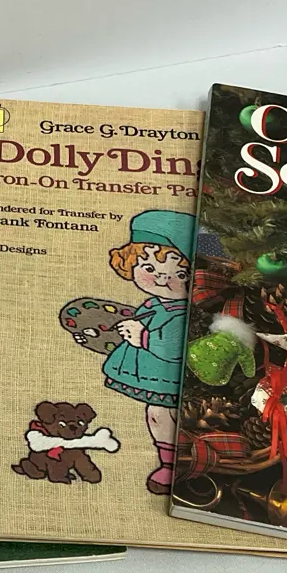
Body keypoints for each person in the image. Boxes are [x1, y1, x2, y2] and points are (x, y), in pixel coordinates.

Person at [101, 209, 195, 495]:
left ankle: (177, 463)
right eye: (150, 269)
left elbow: (174, 347)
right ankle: (168, 462)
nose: (163, 280)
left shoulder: (185, 312)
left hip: (171, 376)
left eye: (179, 273)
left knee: (171, 415)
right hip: (152, 372)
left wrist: (143, 337)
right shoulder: (154, 305)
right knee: (157, 415)